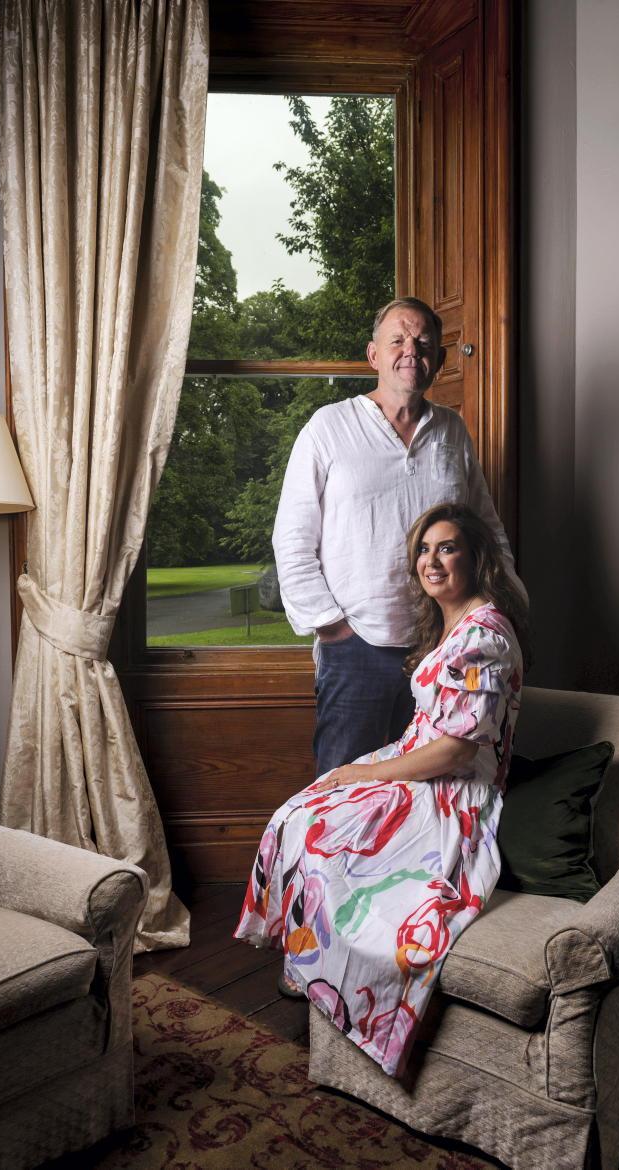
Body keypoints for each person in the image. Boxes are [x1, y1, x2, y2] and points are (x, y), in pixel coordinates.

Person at [235, 502, 526, 1078]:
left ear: (476, 558)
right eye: (424, 550)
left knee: (323, 836)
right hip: (418, 764)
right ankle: (307, 963)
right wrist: (362, 771)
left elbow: (456, 751)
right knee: (298, 813)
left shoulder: (483, 637)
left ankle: (345, 992)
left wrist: (366, 774)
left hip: (452, 791)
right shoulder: (456, 623)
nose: (431, 561)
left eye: (447, 548)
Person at [272, 297, 526, 777]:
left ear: (440, 360)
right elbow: (292, 539)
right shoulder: (329, 427)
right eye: (398, 341)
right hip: (357, 648)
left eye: (424, 343)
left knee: (425, 790)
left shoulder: (452, 430)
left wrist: (504, 605)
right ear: (374, 355)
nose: (412, 350)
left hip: (444, 646)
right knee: (343, 789)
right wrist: (333, 628)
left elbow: (486, 528)